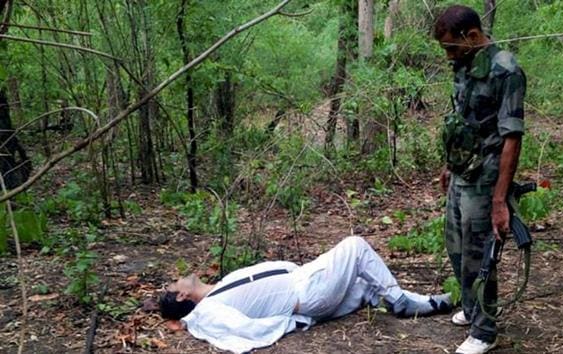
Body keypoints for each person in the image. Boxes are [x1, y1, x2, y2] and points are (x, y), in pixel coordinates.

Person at [159, 236, 452, 353]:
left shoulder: (218, 288)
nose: (178, 279)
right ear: (183, 297)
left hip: (305, 280)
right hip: (306, 292)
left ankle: (425, 302)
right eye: (175, 285)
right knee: (355, 246)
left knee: (364, 284)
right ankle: (400, 301)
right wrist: (295, 322)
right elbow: (243, 331)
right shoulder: (207, 312)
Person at [433, 5, 526, 354]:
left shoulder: (506, 70)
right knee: (456, 246)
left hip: (487, 177)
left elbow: (512, 138)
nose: (448, 56)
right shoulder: (465, 64)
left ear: (471, 36)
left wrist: (500, 200)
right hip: (462, 171)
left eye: (451, 48)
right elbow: (462, 120)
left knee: (478, 251)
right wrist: (448, 165)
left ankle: (485, 330)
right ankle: (472, 310)